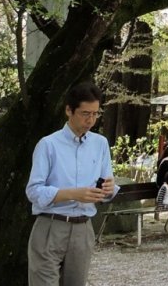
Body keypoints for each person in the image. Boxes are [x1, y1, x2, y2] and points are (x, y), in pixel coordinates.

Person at [26, 82, 119, 285]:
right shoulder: (48, 145)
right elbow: (33, 191)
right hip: (51, 224)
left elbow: (107, 185)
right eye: (85, 113)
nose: (91, 120)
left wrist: (110, 190)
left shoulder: (100, 144)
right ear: (69, 110)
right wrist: (72, 194)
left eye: (95, 114)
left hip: (83, 228)